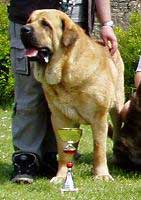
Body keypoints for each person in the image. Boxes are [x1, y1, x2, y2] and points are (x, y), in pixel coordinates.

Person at [8, 0, 118, 184]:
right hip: (26, 10)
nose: (31, 27)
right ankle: (26, 159)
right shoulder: (29, 26)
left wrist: (106, 23)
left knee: (72, 94)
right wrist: (35, 24)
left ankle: (57, 158)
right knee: (29, 98)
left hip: (75, 18)